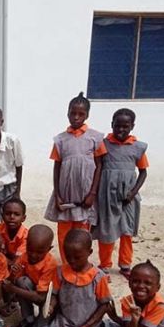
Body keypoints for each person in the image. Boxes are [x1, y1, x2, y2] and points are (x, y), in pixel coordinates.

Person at [44, 92, 107, 264]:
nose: (76, 117)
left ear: (87, 115)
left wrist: (92, 193)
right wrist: (57, 195)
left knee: (82, 231)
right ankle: (66, 263)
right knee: (64, 231)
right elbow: (57, 166)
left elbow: (100, 165)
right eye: (73, 113)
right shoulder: (60, 140)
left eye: (81, 114)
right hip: (65, 194)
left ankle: (80, 262)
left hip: (85, 194)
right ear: (67, 113)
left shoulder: (95, 138)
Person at [36, 229, 112, 327]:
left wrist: (87, 326)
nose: (72, 261)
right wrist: (51, 306)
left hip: (87, 323)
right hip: (65, 321)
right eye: (68, 256)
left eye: (77, 257)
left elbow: (105, 305)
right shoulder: (60, 271)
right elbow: (54, 294)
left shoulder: (98, 277)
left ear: (89, 253)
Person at [94, 108, 149, 278]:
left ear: (132, 126)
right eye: (117, 126)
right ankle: (104, 265)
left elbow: (143, 172)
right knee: (107, 230)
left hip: (128, 198)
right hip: (107, 195)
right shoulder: (103, 144)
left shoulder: (137, 147)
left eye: (125, 126)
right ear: (112, 124)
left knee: (127, 231)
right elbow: (97, 166)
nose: (121, 130)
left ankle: (125, 265)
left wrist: (132, 193)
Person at [3, 224, 59, 327]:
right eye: (30, 250)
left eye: (39, 252)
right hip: (33, 291)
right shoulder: (24, 256)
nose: (33, 255)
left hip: (48, 300)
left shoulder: (50, 264)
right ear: (26, 244)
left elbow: (40, 297)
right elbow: (12, 281)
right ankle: (28, 320)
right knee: (22, 281)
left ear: (49, 249)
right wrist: (13, 275)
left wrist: (13, 289)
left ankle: (48, 319)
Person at [0, 197, 28, 268]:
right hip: (5, 261)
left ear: (23, 218)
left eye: (16, 214)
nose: (12, 217)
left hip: (18, 265)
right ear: (2, 216)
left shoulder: (26, 236)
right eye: (8, 213)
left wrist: (0, 257)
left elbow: (17, 261)